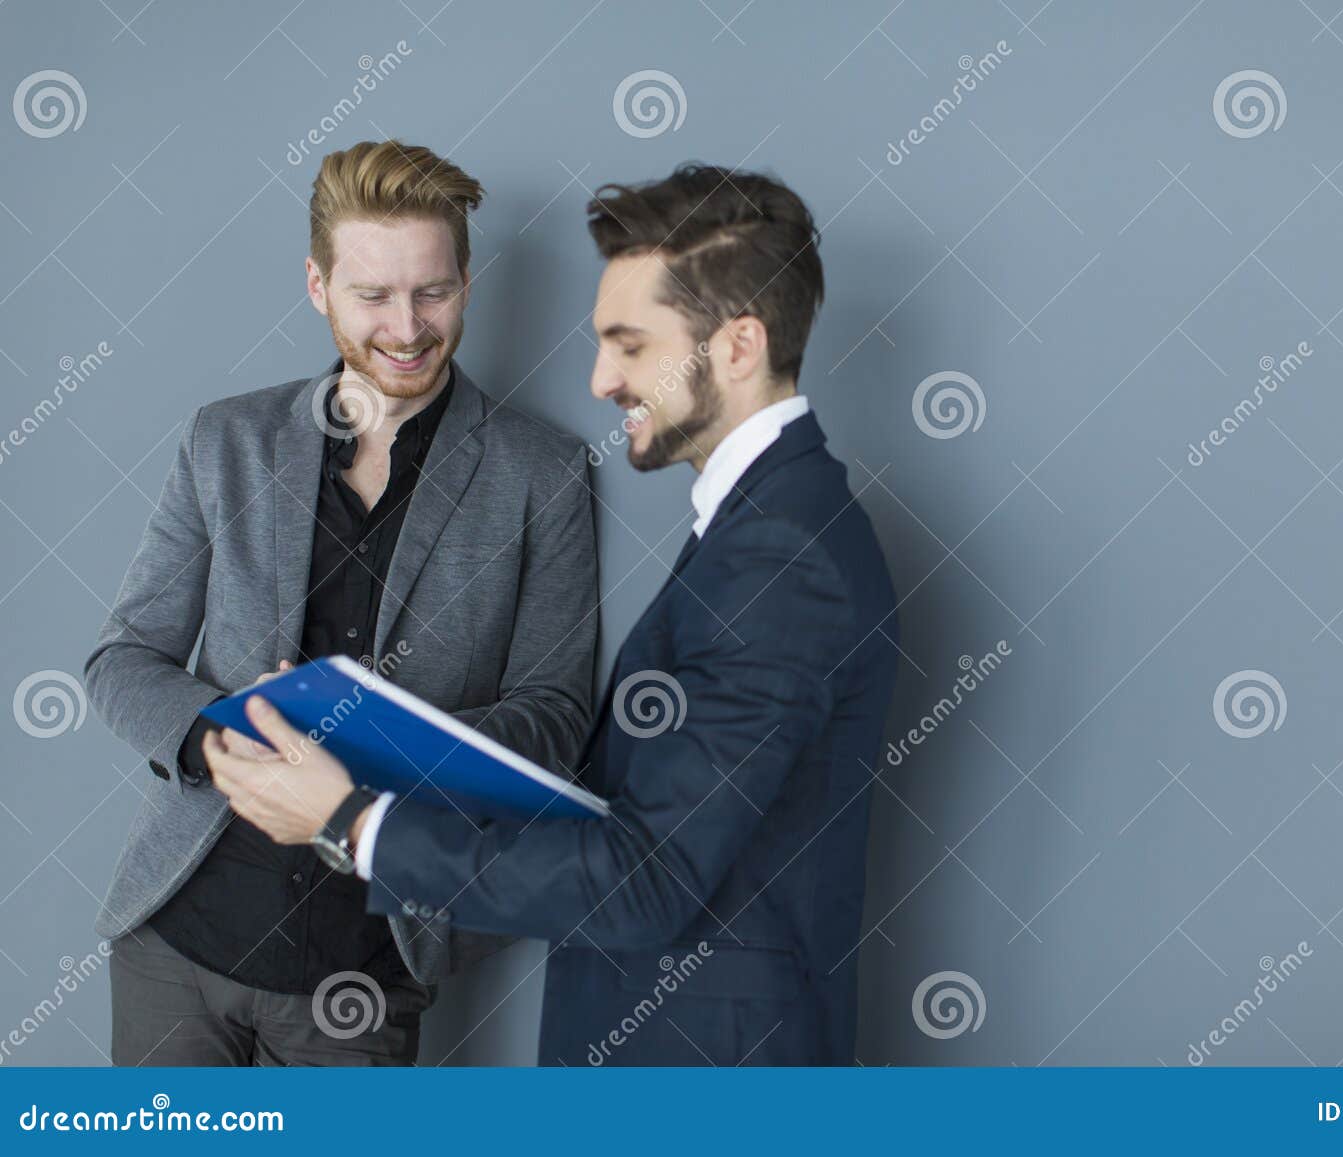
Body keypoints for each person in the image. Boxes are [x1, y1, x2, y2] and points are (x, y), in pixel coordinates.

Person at [208, 163, 900, 1066]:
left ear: (737, 347)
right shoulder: (767, 522)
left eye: (630, 346)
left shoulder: (783, 554)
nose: (602, 379)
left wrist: (351, 821)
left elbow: (647, 879)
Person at [84, 140, 598, 1066]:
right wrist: (216, 741)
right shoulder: (225, 440)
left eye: (432, 292)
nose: (407, 327)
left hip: (367, 964)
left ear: (468, 282)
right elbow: (121, 659)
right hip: (176, 945)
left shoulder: (543, 474)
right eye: (373, 295)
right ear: (318, 286)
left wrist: (375, 744)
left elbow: (556, 717)